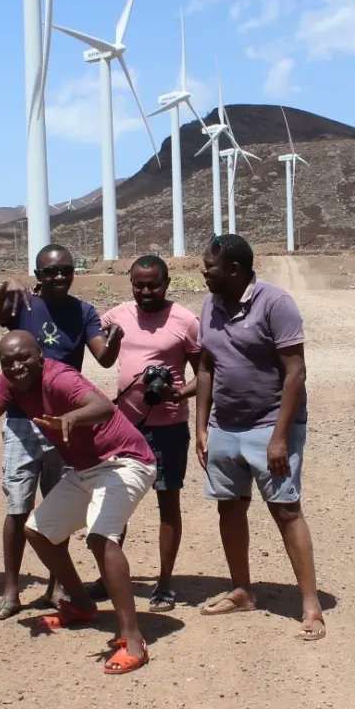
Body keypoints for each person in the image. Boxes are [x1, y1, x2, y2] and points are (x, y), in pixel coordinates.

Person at [0, 330, 156, 674]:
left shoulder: (60, 378)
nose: (17, 366)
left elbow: (104, 407)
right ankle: (81, 604)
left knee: (101, 538)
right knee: (38, 531)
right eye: (8, 362)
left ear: (40, 356)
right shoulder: (11, 383)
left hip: (124, 461)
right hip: (87, 469)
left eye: (24, 358)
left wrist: (71, 417)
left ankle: (133, 639)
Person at [0, 243, 122, 616]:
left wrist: (115, 340)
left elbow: (103, 357)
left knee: (58, 507)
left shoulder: (84, 311)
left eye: (65, 270)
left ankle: (57, 587)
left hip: (65, 423)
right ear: (38, 275)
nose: (59, 277)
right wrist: (7, 285)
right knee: (17, 507)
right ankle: (12, 591)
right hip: (21, 420)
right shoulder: (24, 304)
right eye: (50, 272)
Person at [195, 234, 326, 641]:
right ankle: (242, 591)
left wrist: (279, 437)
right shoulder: (210, 304)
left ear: (234, 269)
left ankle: (311, 605)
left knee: (285, 509)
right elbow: (206, 367)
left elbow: (295, 372)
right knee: (230, 508)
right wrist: (200, 427)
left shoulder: (275, 303)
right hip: (225, 425)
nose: (203, 272)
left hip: (271, 424)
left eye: (210, 267)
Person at [96, 255, 200, 611]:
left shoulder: (185, 321)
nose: (144, 292)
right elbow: (88, 331)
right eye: (138, 285)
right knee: (115, 504)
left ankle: (165, 583)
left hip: (169, 427)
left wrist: (178, 393)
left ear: (167, 283)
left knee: (167, 504)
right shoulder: (117, 315)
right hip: (124, 429)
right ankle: (108, 577)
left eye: (152, 285)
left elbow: (206, 374)